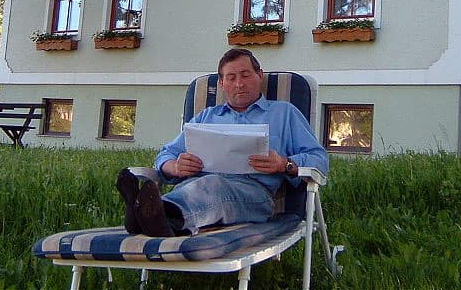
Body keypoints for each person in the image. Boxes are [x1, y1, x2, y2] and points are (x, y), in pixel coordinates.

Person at [116, 48, 329, 237]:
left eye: (245, 75)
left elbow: (319, 160)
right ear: (222, 84)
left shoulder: (284, 113)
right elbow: (166, 154)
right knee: (201, 185)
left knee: (213, 185)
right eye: (231, 78)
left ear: (259, 75)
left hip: (253, 195)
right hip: (195, 187)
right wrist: (175, 166)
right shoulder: (206, 116)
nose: (239, 83)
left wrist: (284, 164)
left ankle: (149, 213)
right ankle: (154, 217)